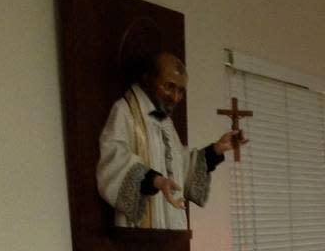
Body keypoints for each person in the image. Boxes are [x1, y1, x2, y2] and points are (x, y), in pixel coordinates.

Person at [97, 52, 245, 229]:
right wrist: (156, 181)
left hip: (170, 233)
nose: (175, 97)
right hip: (137, 234)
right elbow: (113, 162)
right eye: (169, 87)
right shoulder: (125, 111)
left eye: (180, 91)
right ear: (148, 79)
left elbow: (180, 166)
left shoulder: (165, 122)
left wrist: (215, 150)